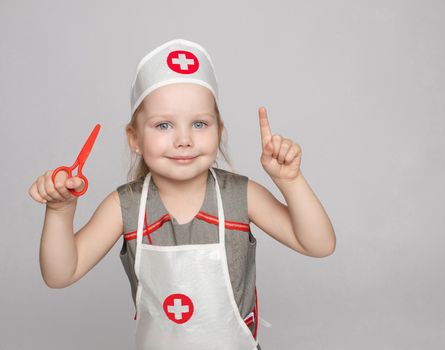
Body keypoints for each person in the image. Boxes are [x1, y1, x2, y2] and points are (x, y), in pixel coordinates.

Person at [28, 38, 336, 350]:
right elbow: (60, 274)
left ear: (220, 131)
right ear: (134, 138)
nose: (184, 139)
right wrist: (59, 211)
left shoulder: (241, 197)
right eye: (164, 126)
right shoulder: (126, 207)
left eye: (200, 124)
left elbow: (319, 244)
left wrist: (291, 181)